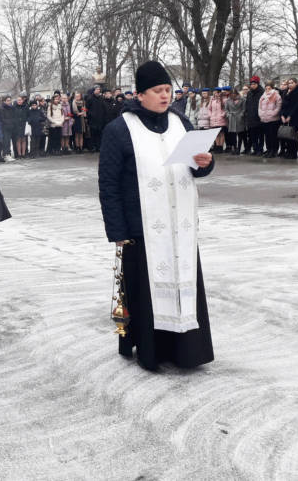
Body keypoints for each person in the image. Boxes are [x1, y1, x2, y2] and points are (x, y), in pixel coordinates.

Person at [99, 60, 215, 372]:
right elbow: (108, 184)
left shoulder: (180, 123)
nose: (165, 96)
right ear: (140, 94)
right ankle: (150, 350)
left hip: (180, 228)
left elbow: (195, 167)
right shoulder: (119, 129)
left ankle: (186, 350)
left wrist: (205, 163)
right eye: (157, 90)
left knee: (182, 287)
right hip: (141, 229)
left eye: (168, 90)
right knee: (146, 295)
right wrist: (117, 229)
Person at [258, 81, 282, 158]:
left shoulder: (276, 95)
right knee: (267, 136)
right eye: (266, 88)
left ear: (272, 88)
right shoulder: (263, 96)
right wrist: (261, 114)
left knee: (273, 136)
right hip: (264, 119)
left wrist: (272, 114)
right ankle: (268, 150)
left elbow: (278, 107)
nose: (267, 90)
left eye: (269, 88)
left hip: (273, 119)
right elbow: (260, 107)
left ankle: (274, 151)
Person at [244, 76, 264, 155]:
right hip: (250, 117)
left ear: (257, 84)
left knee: (260, 135)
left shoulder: (262, 92)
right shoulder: (249, 93)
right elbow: (247, 104)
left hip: (259, 116)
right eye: (251, 84)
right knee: (253, 135)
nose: (252, 85)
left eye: (254, 84)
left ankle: (260, 149)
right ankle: (255, 149)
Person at [225, 88, 247, 155]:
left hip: (239, 118)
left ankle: (238, 149)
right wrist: (228, 115)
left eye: (234, 93)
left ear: (237, 93)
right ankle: (234, 148)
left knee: (240, 134)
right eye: (232, 93)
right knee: (233, 134)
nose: (233, 95)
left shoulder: (242, 99)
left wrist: (241, 115)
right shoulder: (228, 100)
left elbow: (244, 109)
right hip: (231, 118)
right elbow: (226, 109)